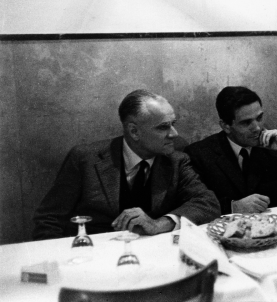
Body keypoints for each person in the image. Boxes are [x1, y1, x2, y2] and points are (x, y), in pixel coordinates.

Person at [33, 89, 221, 240]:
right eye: (163, 127)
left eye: (173, 123)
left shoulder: (176, 158)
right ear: (134, 131)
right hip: (96, 259)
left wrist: (160, 224)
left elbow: (207, 203)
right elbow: (49, 219)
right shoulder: (85, 159)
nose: (174, 133)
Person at [184, 86, 277, 215]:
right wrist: (232, 207)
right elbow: (193, 204)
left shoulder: (273, 146)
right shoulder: (200, 155)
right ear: (226, 126)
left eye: (259, 118)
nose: (257, 128)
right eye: (246, 123)